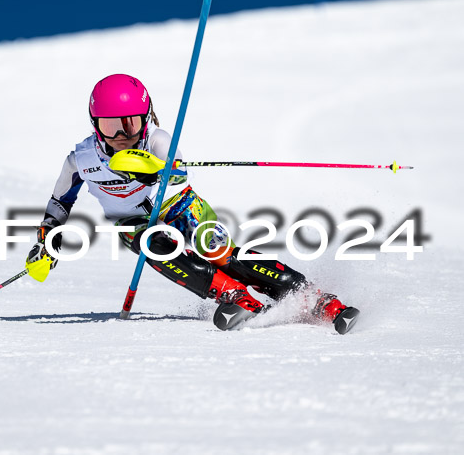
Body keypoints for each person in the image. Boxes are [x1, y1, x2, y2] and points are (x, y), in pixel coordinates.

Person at [25, 73, 360, 334]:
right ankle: (236, 297)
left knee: (218, 251)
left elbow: (177, 175)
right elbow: (60, 201)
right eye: (111, 126)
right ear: (94, 124)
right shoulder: (80, 159)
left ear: (147, 116)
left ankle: (314, 298)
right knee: (154, 246)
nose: (122, 135)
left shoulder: (157, 140)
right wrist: (46, 244)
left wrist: (152, 174)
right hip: (133, 224)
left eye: (132, 122)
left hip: (180, 207)